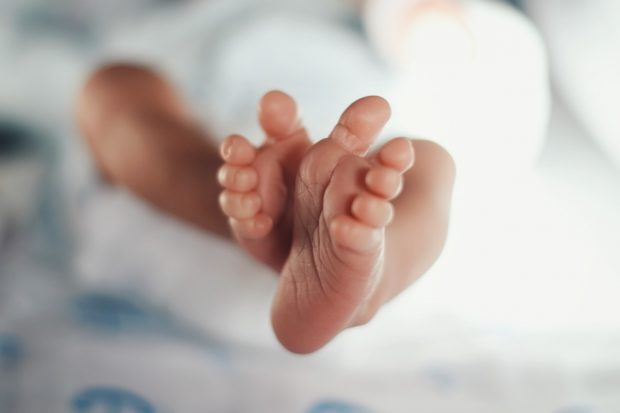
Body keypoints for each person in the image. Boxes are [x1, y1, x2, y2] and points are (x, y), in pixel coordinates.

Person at [77, 65, 455, 353]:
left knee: (426, 157)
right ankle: (258, 210)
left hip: (350, 145)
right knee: (114, 86)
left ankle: (370, 270)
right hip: (206, 121)